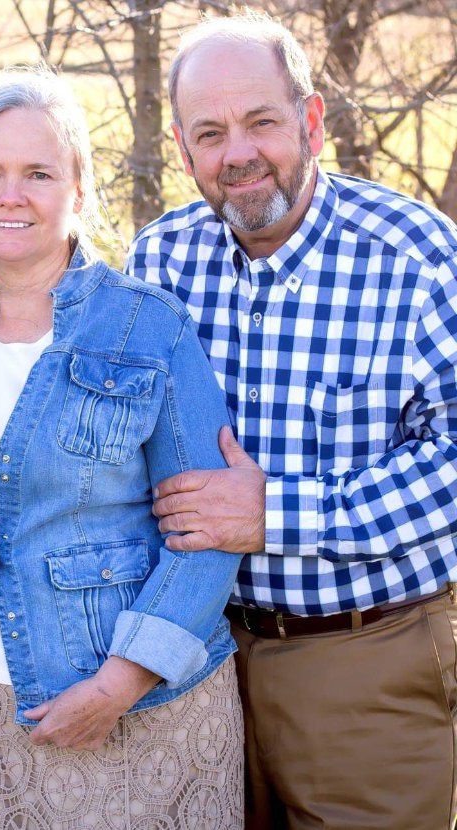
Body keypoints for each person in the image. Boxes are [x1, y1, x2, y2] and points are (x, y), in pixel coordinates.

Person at [0, 74, 244, 828]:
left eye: (38, 173)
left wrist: (120, 685)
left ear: (77, 189)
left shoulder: (147, 329)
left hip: (137, 716)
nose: (13, 195)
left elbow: (207, 536)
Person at [126, 11, 457, 830]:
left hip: (366, 665)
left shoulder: (416, 260)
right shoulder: (159, 262)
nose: (237, 153)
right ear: (181, 147)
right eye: (209, 132)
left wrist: (277, 511)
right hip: (196, 670)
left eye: (261, 121)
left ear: (310, 121)